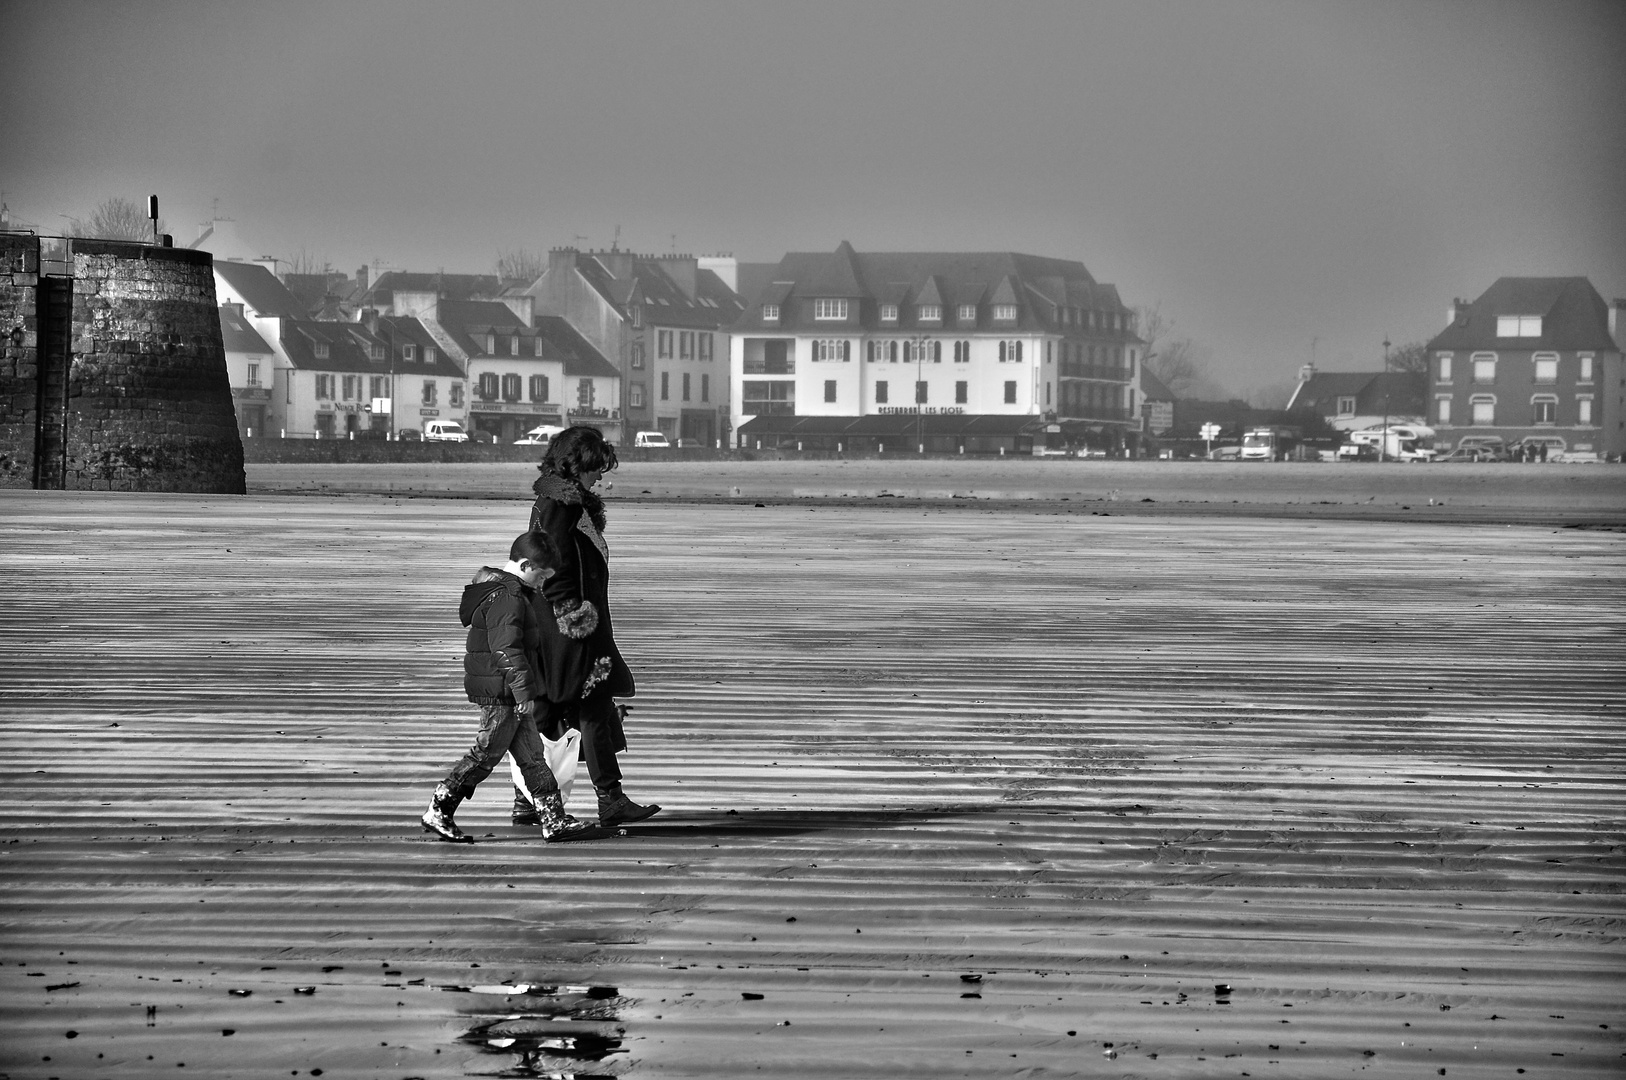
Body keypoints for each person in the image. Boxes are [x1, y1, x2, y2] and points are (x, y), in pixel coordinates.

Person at [522, 425, 661, 828]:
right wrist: (574, 617)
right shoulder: (558, 507)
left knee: (552, 713)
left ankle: (531, 800)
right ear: (576, 464)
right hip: (569, 630)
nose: (600, 475)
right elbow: (552, 569)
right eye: (596, 466)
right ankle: (608, 799)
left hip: (562, 628)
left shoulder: (557, 502)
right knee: (591, 706)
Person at [420, 531, 591, 844]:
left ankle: (553, 820)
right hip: (502, 694)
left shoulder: (506, 591)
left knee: (533, 758)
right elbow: (506, 649)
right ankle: (439, 808)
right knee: (485, 754)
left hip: (509, 691)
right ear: (526, 565)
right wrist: (524, 692)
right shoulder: (508, 596)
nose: (543, 584)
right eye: (541, 576)